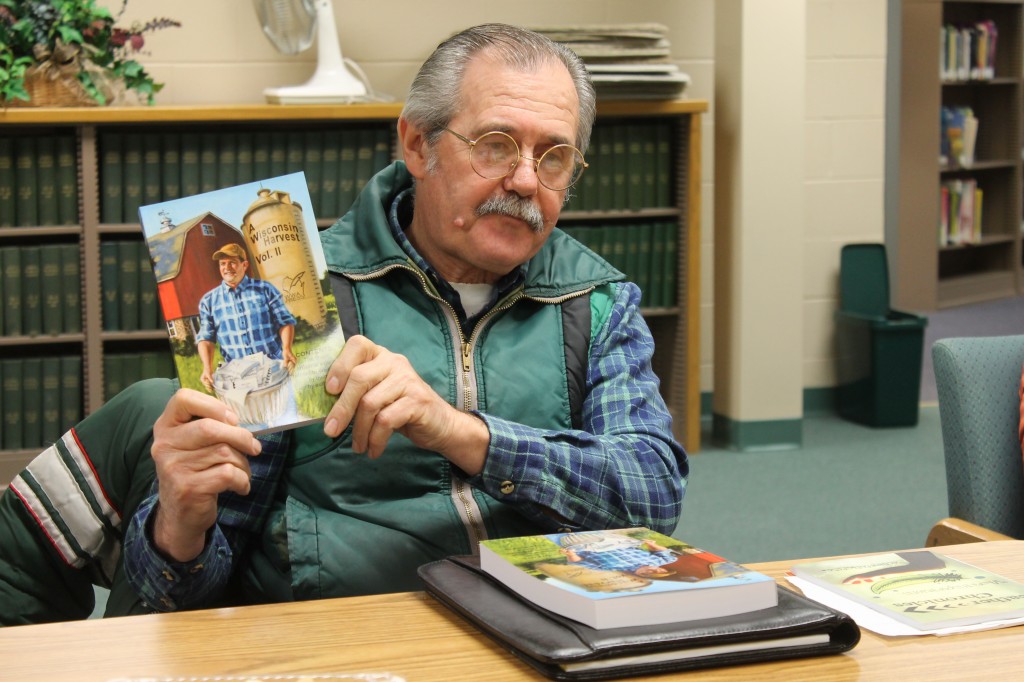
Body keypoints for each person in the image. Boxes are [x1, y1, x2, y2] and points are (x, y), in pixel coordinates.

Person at [0, 23, 687, 623]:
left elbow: (653, 497)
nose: (526, 181)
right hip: (350, 643)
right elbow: (189, 596)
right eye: (497, 144)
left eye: (554, 156)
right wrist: (179, 527)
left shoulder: (597, 299)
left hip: (545, 633)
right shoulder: (302, 291)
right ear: (417, 146)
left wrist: (459, 432)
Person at [196, 243, 298, 392]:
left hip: (273, 366)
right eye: (222, 264)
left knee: (286, 411)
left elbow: (285, 321)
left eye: (232, 262)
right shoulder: (209, 301)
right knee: (244, 415)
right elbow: (206, 338)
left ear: (244, 265)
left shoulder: (265, 289)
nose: (227, 267)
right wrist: (207, 368)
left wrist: (287, 349)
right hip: (237, 374)